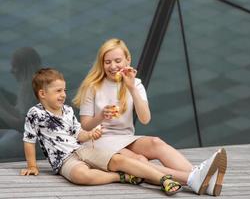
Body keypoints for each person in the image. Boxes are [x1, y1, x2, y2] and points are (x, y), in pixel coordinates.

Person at [73, 38, 228, 196]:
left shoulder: (136, 84)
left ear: (128, 60)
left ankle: (201, 178)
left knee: (156, 142)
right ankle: (193, 178)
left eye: (117, 61)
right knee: (138, 160)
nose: (113, 66)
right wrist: (101, 116)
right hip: (99, 141)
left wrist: (132, 88)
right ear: (102, 63)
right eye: (107, 62)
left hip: (125, 138)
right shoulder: (92, 86)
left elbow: (145, 119)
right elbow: (85, 125)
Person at [20, 68, 184, 196]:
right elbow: (29, 140)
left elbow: (78, 134)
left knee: (118, 160)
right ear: (42, 94)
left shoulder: (68, 111)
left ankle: (163, 180)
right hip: (63, 159)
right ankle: (120, 177)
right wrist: (32, 166)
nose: (63, 95)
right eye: (58, 91)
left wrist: (90, 135)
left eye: (64, 90)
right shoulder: (35, 113)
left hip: (81, 149)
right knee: (80, 175)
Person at [0, 47, 41, 132]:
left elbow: (21, 125)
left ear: (24, 68)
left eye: (14, 66)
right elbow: (20, 114)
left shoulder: (29, 89)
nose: (11, 71)